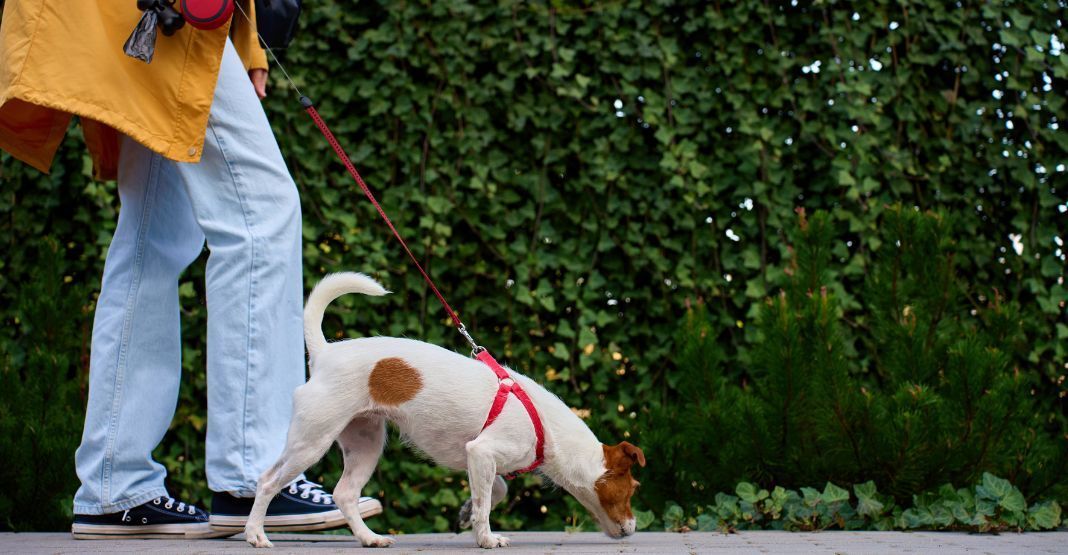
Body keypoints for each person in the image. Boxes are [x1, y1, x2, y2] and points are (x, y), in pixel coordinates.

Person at [0, 1, 381, 538]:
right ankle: (255, 473)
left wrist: (246, 45)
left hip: (143, 16)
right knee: (261, 214)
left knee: (155, 234)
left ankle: (115, 484)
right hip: (158, 12)